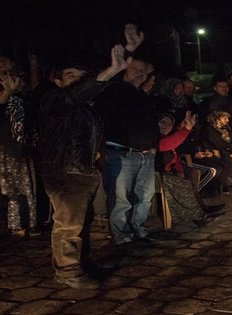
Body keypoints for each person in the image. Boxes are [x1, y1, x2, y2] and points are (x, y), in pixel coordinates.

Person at [38, 43, 129, 289]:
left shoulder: (85, 109)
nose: (78, 81)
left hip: (83, 171)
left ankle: (83, 262)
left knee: (82, 221)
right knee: (69, 224)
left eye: (81, 77)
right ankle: (67, 271)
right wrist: (110, 71)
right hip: (65, 171)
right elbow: (74, 95)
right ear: (57, 81)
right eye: (71, 76)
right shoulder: (52, 100)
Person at [94, 25, 160, 247]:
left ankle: (138, 230)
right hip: (120, 154)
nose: (140, 74)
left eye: (144, 72)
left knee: (144, 197)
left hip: (145, 155)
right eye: (135, 70)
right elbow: (105, 79)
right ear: (124, 70)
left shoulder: (143, 96)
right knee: (120, 199)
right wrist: (129, 49)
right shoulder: (114, 90)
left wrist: (153, 146)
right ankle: (121, 235)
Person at [0, 57, 39, 237]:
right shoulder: (5, 91)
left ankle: (29, 222)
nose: (9, 69)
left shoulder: (18, 88)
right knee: (13, 188)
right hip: (7, 148)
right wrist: (7, 92)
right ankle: (16, 225)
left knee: (27, 186)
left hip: (22, 145)